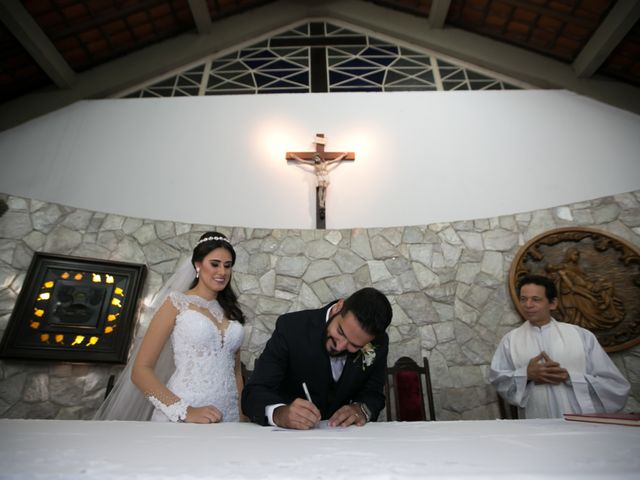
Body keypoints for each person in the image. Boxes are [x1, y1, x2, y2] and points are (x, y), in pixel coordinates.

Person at [94, 232, 245, 423]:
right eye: (214, 264)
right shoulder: (176, 302)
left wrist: (241, 413)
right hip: (184, 413)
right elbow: (140, 370)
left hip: (229, 416)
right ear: (198, 265)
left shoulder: (231, 311)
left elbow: (236, 372)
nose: (222, 272)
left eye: (227, 265)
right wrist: (186, 411)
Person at [241, 287, 392, 429]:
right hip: (289, 442)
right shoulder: (291, 328)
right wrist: (280, 413)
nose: (339, 346)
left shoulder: (379, 343)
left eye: (354, 345)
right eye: (340, 332)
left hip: (345, 443)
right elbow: (253, 392)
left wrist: (362, 409)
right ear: (339, 307)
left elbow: (374, 395)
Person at [489, 274, 630, 419]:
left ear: (553, 303)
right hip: (535, 421)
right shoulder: (510, 340)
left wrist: (569, 377)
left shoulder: (582, 336)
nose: (528, 305)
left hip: (578, 420)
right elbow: (499, 381)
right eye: (523, 299)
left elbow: (614, 384)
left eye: (536, 299)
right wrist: (527, 375)